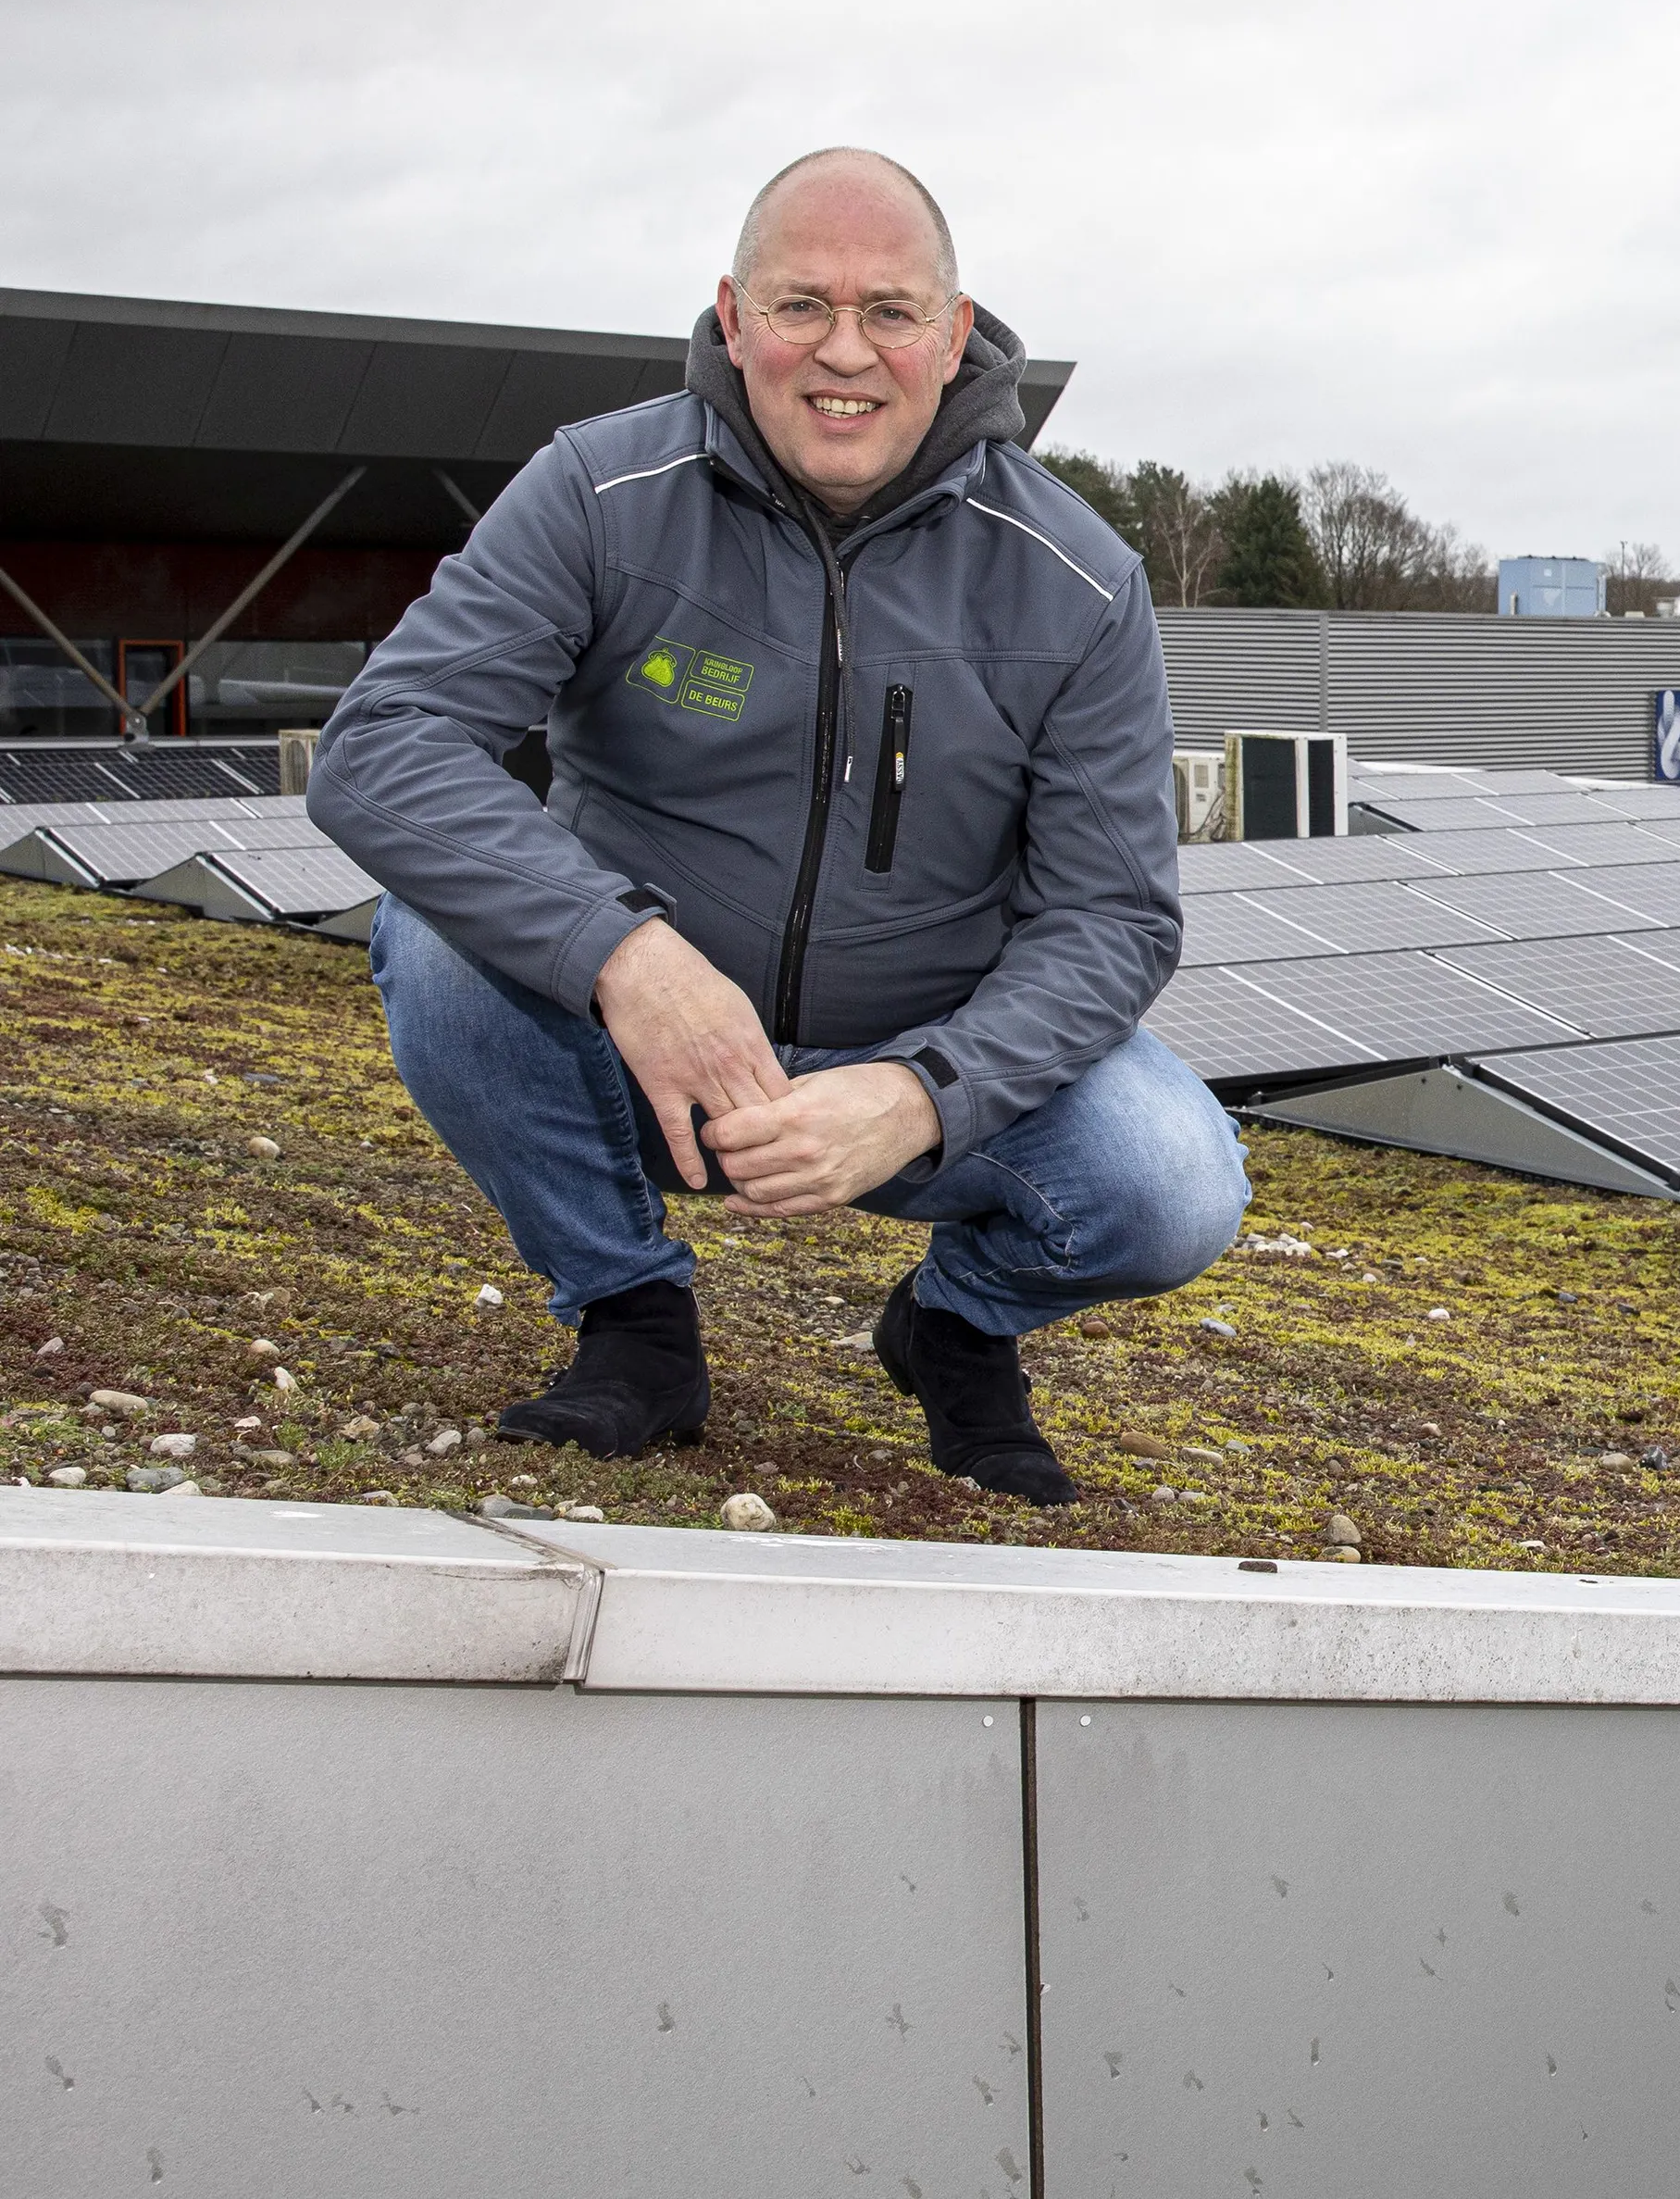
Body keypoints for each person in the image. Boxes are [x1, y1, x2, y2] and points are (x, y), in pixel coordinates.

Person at [310, 148, 1247, 1506]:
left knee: (1172, 1180)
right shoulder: (598, 492)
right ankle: (633, 1322)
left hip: (922, 1055)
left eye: (890, 312)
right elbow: (385, 741)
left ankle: (956, 1328)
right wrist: (625, 958)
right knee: (440, 945)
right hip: (642, 1048)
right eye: (802, 304)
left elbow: (1111, 918)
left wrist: (921, 1092)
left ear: (954, 335)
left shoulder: (1079, 580)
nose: (844, 352)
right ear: (733, 318)